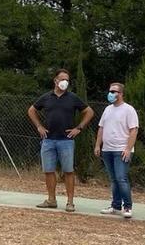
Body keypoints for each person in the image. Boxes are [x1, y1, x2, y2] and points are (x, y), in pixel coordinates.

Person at [27, 69, 95, 212]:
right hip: (48, 140)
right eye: (62, 79)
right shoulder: (46, 97)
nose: (65, 82)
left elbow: (89, 112)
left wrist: (79, 128)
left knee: (68, 171)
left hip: (66, 141)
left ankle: (70, 202)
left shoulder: (72, 98)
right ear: (55, 81)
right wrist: (39, 126)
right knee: (49, 171)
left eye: (67, 80)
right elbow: (31, 110)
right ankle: (51, 200)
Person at [94, 82, 139, 219]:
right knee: (114, 179)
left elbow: (134, 130)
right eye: (110, 91)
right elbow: (101, 128)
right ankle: (115, 205)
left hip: (121, 150)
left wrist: (128, 149)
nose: (111, 94)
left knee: (121, 178)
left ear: (121, 94)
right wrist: (98, 145)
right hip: (107, 149)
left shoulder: (128, 110)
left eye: (114, 92)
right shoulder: (108, 110)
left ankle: (127, 206)